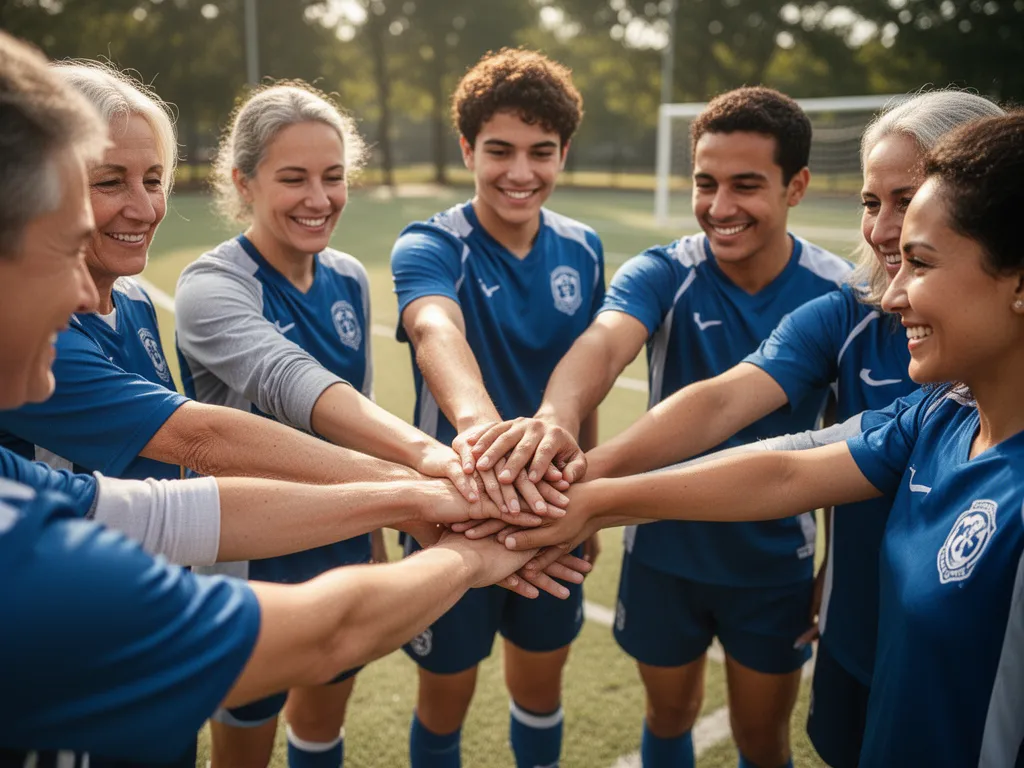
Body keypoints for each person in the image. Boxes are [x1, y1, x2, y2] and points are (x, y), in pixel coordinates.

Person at [0, 30, 556, 766]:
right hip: (171, 602)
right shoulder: (191, 292)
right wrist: (443, 482)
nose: (140, 205)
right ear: (245, 182)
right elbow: (208, 437)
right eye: (104, 187)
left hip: (215, 560)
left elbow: (159, 506)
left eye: (155, 178)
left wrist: (420, 500)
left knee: (314, 718)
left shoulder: (132, 304)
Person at [474, 88, 1005, 768]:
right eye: (873, 203)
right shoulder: (892, 361)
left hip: (879, 610)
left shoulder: (951, 407)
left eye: (908, 200)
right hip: (855, 614)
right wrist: (569, 471)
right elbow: (742, 420)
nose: (883, 231)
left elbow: (793, 464)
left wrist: (579, 497)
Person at [389, 48, 600, 768]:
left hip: (552, 509)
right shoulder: (429, 242)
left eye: (541, 152)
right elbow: (434, 330)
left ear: (563, 152)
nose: (521, 172)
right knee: (443, 702)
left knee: (539, 690)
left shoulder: (583, 247)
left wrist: (589, 486)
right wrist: (483, 433)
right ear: (467, 149)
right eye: (499, 150)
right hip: (457, 508)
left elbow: (587, 379)